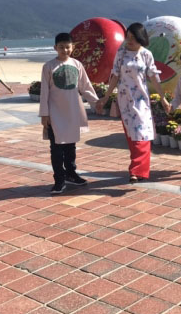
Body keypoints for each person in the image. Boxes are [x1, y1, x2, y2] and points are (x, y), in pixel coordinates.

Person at [96, 23, 171, 183]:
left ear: (140, 38)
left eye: (133, 37)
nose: (129, 40)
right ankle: (138, 171)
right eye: (127, 37)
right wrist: (106, 97)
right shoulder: (121, 53)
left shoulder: (146, 54)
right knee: (132, 135)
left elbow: (154, 78)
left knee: (141, 134)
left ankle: (136, 171)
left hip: (141, 99)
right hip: (124, 100)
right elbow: (115, 76)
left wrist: (163, 98)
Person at [39, 32, 100, 194]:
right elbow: (44, 92)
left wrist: (96, 102)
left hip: (73, 111)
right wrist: (45, 114)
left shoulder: (77, 64)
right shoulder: (48, 66)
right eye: (61, 47)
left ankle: (71, 174)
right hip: (55, 113)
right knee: (57, 148)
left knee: (71, 146)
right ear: (55, 48)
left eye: (67, 47)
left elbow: (85, 86)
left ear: (73, 47)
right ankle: (59, 179)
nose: (64, 50)